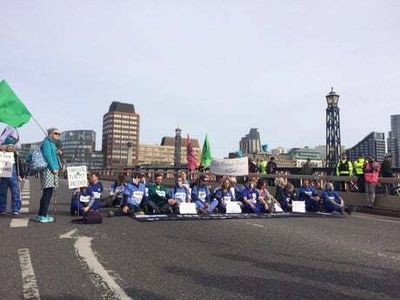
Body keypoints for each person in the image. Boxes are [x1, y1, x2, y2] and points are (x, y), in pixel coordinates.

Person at [35, 128, 62, 223]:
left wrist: (57, 152)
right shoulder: (47, 142)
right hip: (49, 170)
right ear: (50, 134)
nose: (58, 135)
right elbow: (47, 156)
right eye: (56, 133)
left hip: (52, 169)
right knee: (48, 192)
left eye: (59, 134)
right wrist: (53, 168)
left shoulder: (51, 143)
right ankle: (42, 215)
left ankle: (41, 214)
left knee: (48, 192)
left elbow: (51, 154)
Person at [0, 126, 24, 215]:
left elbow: (18, 149)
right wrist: (5, 147)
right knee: (8, 190)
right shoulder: (8, 131)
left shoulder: (13, 132)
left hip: (10, 165)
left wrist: (21, 174)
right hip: (4, 165)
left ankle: (13, 208)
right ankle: (11, 209)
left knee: (12, 190)